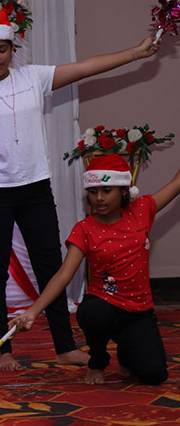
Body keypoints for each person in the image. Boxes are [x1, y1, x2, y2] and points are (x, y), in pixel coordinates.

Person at [0, 10, 161, 371]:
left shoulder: (33, 77)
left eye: (2, 49)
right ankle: (2, 349)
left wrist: (135, 52)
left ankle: (64, 346)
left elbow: (86, 67)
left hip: (34, 189)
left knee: (50, 266)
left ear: (12, 49)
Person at [10, 154, 180, 385]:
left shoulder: (141, 209)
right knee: (93, 313)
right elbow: (63, 275)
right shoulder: (84, 229)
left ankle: (126, 351)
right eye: (93, 191)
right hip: (104, 304)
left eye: (106, 191)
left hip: (139, 310)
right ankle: (97, 360)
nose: (98, 198)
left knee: (154, 375)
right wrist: (32, 312)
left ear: (123, 191)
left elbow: (176, 183)